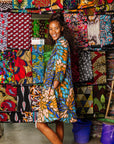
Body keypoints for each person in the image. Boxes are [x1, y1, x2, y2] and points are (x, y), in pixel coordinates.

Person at [36, 11, 77, 144]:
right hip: (60, 89)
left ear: (62, 29)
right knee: (58, 122)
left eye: (56, 28)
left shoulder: (62, 43)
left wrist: (51, 89)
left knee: (40, 124)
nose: (53, 31)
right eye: (51, 29)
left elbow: (60, 69)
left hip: (57, 89)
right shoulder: (60, 43)